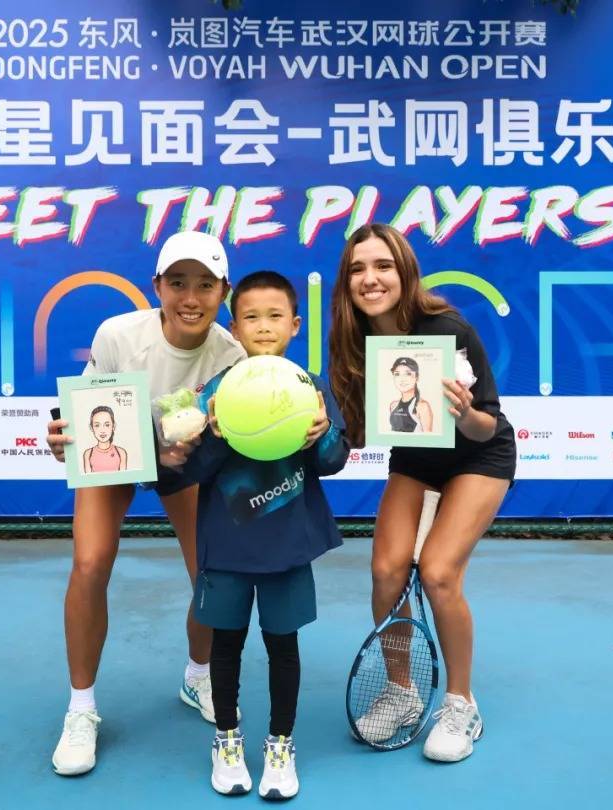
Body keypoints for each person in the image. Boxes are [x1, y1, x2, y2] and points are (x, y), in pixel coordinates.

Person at [45, 231, 246, 776]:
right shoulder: (118, 335)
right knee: (90, 563)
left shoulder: (231, 355)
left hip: (185, 466)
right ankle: (81, 709)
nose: (191, 298)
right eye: (178, 283)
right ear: (157, 286)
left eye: (205, 285)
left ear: (223, 292)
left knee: (212, 573)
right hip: (118, 455)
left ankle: (198, 676)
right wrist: (63, 435)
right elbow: (86, 412)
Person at [328, 223, 516, 762]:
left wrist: (462, 411)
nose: (370, 278)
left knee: (436, 572)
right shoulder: (352, 341)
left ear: (405, 271)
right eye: (358, 269)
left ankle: (460, 704)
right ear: (347, 282)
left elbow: (486, 424)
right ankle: (401, 692)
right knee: (387, 571)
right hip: (415, 461)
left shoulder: (447, 328)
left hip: (479, 455)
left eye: (382, 266)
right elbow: (359, 433)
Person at [182, 271, 349, 799]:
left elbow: (335, 460)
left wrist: (321, 438)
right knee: (226, 646)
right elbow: (190, 470)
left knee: (283, 647)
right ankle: (226, 739)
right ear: (234, 328)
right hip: (227, 546)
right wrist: (211, 436)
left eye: (275, 316)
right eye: (251, 317)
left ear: (295, 325)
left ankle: (281, 744)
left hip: (287, 547)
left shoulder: (311, 388)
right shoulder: (215, 391)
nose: (263, 326)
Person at [388, 356, 433, 433]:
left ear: (417, 377)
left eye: (408, 374)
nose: (402, 379)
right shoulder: (393, 405)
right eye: (397, 374)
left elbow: (428, 438)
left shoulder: (422, 406)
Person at [82, 406, 128, 473]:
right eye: (97, 425)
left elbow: (124, 477)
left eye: (107, 425)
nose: (102, 430)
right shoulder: (88, 454)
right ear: (91, 428)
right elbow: (87, 478)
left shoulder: (121, 452)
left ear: (113, 426)